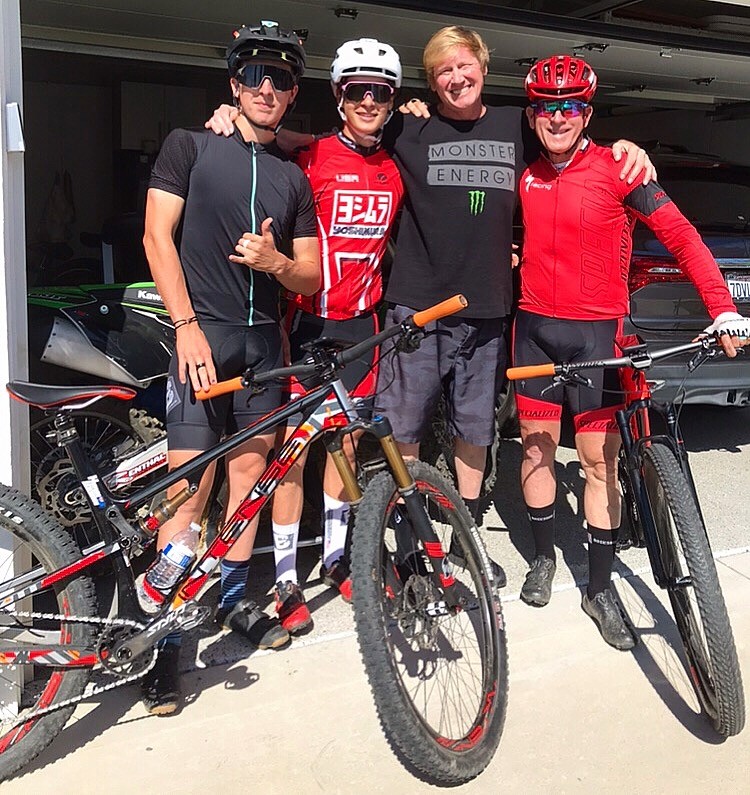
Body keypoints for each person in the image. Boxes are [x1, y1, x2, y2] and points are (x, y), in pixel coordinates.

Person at [206, 25, 652, 581]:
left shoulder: (518, 123)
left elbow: (573, 136)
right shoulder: (405, 124)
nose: (457, 78)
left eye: (465, 67)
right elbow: (324, 138)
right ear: (431, 80)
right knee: (406, 428)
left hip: (488, 310)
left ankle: (463, 536)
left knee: (473, 433)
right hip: (413, 311)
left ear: (484, 69)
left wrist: (626, 148)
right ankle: (414, 540)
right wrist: (237, 121)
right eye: (443, 70)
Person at [514, 54, 749, 649]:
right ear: (533, 114)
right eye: (547, 107)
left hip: (599, 335)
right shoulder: (524, 171)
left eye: (569, 106)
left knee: (598, 463)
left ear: (586, 111)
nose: (558, 117)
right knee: (537, 452)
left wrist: (723, 307)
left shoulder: (622, 169)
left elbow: (684, 237)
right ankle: (543, 558)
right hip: (535, 329)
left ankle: (598, 588)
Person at [140, 21, 320, 714]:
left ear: (293, 91)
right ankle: (166, 646)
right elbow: (157, 237)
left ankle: (233, 602)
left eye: (280, 78)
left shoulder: (292, 176)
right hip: (202, 339)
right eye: (254, 75)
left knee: (247, 479)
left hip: (263, 350)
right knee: (189, 493)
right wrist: (185, 326)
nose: (266, 87)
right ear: (233, 83)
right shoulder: (191, 146)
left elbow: (308, 275)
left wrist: (276, 263)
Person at [269, 39, 404, 634]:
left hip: (362, 328)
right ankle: (283, 579)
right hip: (308, 326)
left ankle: (334, 558)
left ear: (394, 100)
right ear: (339, 96)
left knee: (346, 447)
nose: (369, 101)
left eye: (381, 92)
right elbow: (253, 136)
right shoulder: (309, 156)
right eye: (358, 91)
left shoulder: (396, 168)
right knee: (293, 454)